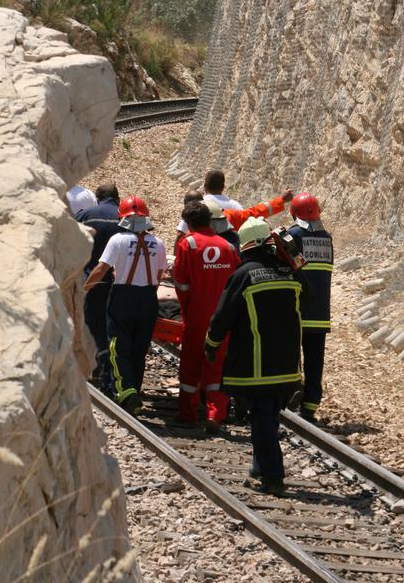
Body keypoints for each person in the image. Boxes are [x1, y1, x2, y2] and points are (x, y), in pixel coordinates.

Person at [205, 218, 303, 496]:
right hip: (289, 367)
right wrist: (293, 256)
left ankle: (273, 476)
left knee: (261, 419)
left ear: (245, 245)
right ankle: (259, 468)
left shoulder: (244, 274)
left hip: (259, 367)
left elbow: (222, 317)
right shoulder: (290, 272)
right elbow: (307, 297)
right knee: (268, 417)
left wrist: (211, 344)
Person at [84, 195, 168, 415]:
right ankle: (133, 392)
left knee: (117, 347)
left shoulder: (118, 240)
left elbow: (101, 269)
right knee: (139, 349)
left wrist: (85, 288)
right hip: (148, 298)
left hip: (123, 296)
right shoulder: (158, 244)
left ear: (123, 218)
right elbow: (158, 277)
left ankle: (125, 392)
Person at [173, 200, 240, 430]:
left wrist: (186, 310)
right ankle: (215, 414)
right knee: (217, 364)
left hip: (197, 314)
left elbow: (181, 284)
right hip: (222, 316)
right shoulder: (228, 247)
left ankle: (188, 413)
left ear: (190, 222)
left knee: (191, 362)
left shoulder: (187, 244)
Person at [287, 192, 334, 422]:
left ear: (292, 212)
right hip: (320, 313)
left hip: (297, 309)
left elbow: (288, 265)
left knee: (292, 355)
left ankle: (293, 395)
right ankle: (311, 405)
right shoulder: (327, 238)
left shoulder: (293, 235)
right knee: (315, 360)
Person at [75, 183, 121, 394]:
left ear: (97, 198)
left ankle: (99, 371)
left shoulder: (86, 214)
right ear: (117, 198)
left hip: (91, 280)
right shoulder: (125, 217)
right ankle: (113, 374)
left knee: (93, 326)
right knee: (111, 328)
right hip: (119, 283)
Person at [177, 188, 293, 251]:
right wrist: (280, 200)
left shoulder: (188, 223)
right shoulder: (228, 215)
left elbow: (178, 242)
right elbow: (254, 212)